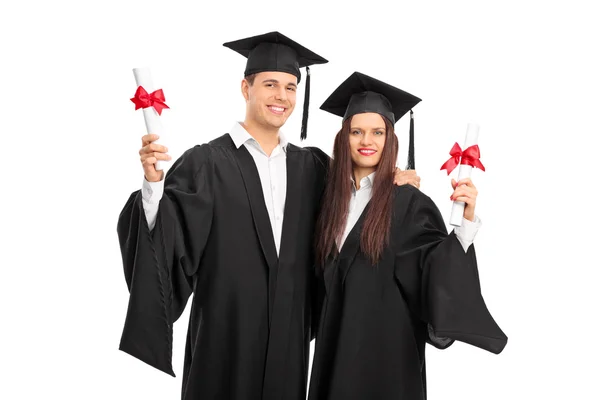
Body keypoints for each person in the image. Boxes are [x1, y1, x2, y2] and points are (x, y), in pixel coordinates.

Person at [117, 33, 420, 400]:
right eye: (270, 84)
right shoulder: (206, 163)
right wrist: (153, 188)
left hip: (287, 349)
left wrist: (394, 183)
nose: (282, 96)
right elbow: (167, 238)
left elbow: (355, 213)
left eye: (291, 87)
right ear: (246, 88)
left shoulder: (313, 168)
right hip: (224, 344)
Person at [307, 72, 507, 400]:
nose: (366, 141)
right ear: (344, 138)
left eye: (377, 132)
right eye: (356, 131)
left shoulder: (408, 202)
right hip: (334, 353)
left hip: (387, 360)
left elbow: (433, 264)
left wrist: (465, 223)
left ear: (391, 139)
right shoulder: (328, 202)